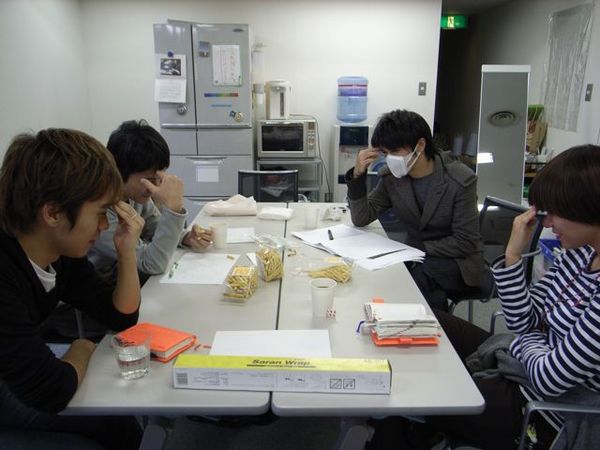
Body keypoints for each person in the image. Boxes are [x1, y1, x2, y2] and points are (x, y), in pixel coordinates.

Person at [369, 144, 600, 450]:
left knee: (412, 389)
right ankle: (409, 428)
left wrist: (524, 340)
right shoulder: (578, 253)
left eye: (555, 213)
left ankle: (401, 429)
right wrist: (513, 256)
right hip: (526, 366)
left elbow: (549, 378)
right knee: (420, 321)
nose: (547, 223)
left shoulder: (458, 178)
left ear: (588, 208)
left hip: (546, 407)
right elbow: (523, 322)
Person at [0, 129, 143, 448]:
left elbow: (120, 316)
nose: (104, 226)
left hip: (20, 369)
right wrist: (81, 348)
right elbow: (51, 390)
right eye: (100, 213)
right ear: (52, 213)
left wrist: (127, 251)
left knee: (116, 421)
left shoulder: (60, 253)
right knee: (106, 423)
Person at [346, 109, 485, 311]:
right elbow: (361, 217)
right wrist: (358, 175)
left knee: (421, 277)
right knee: (382, 272)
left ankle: (432, 325)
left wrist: (417, 247)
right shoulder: (392, 178)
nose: (389, 159)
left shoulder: (459, 179)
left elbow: (466, 242)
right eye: (385, 153)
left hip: (459, 262)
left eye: (394, 152)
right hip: (416, 255)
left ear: (420, 145)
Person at [88, 119, 212, 284]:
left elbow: (154, 229)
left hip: (131, 279)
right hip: (103, 286)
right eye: (150, 179)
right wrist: (173, 210)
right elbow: (151, 264)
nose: (156, 186)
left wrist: (185, 237)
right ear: (120, 171)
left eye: (158, 178)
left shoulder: (134, 194)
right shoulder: (99, 210)